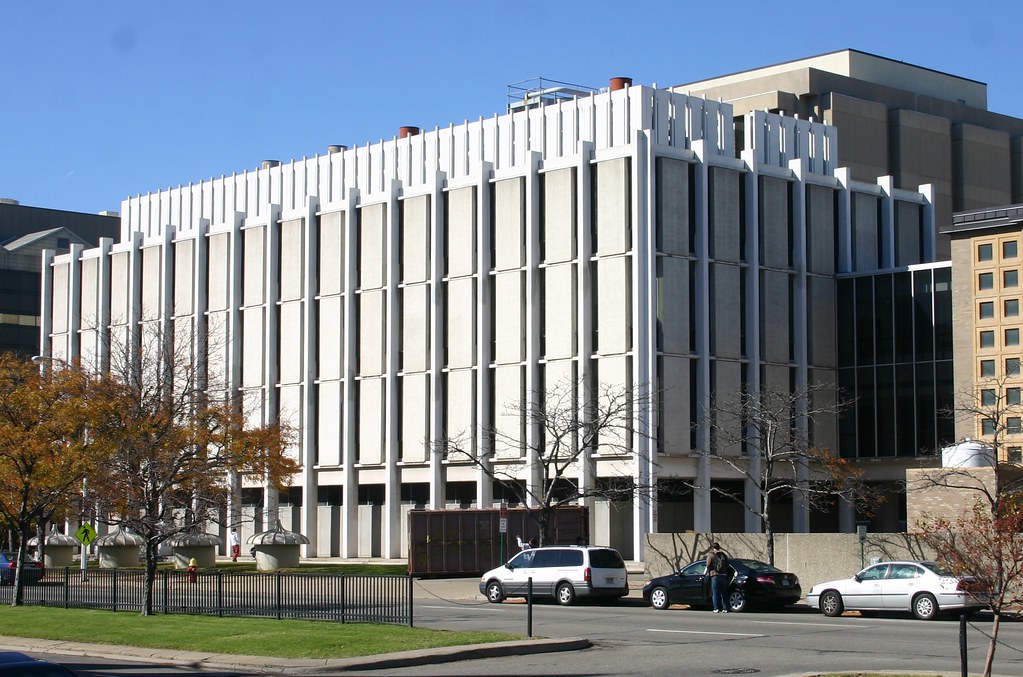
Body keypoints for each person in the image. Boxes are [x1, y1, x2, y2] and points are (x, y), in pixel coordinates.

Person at [705, 542, 731, 613]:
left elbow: (708, 565)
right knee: (724, 593)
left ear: (713, 548)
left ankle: (716, 608)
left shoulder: (711, 555)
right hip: (723, 576)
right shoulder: (723, 555)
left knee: (715, 593)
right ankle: (726, 608)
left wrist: (708, 572)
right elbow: (727, 565)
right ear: (719, 547)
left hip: (715, 575)